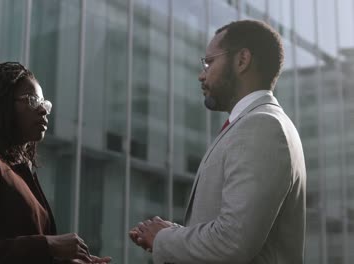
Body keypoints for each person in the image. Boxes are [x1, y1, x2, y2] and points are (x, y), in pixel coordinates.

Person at [129, 20, 306, 264]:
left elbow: (232, 242)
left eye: (209, 62)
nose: (202, 75)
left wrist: (164, 238)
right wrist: (179, 235)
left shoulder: (261, 126)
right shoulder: (254, 124)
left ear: (242, 60)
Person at [0, 62, 112, 264]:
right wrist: (48, 245)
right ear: (0, 104)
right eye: (32, 100)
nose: (43, 110)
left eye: (44, 103)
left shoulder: (19, 171)